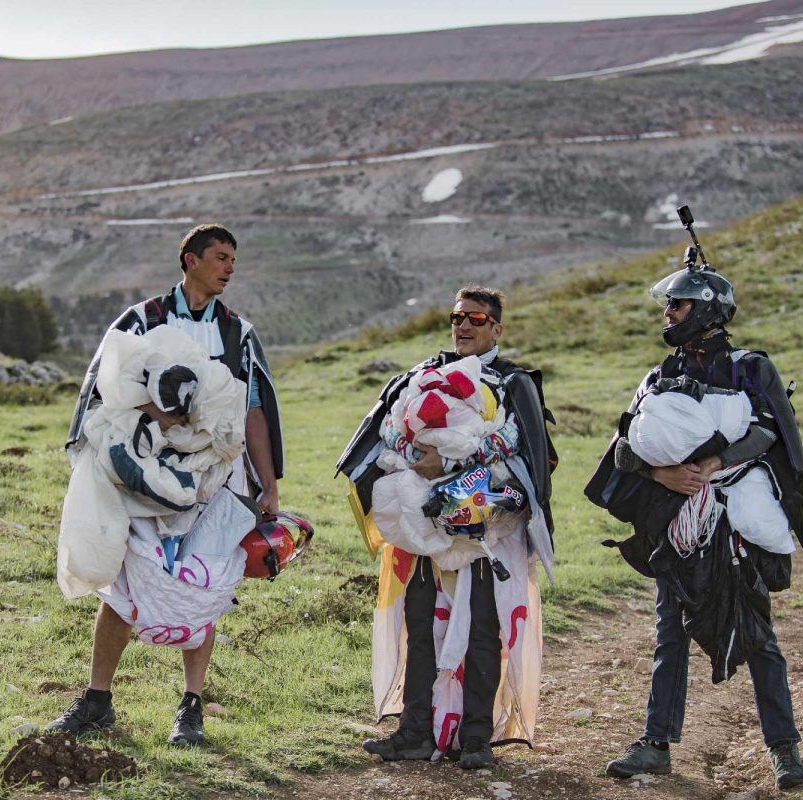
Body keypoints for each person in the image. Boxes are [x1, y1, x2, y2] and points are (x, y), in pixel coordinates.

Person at [47, 224, 284, 747]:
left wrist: (268, 485)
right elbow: (105, 392)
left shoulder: (236, 333)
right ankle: (97, 700)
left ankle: (191, 707)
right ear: (190, 259)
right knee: (123, 586)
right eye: (220, 257)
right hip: (140, 477)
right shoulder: (141, 321)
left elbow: (253, 410)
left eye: (233, 260)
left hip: (216, 480)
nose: (228, 268)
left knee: (207, 585)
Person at [584, 257, 803, 790]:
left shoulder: (751, 369)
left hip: (735, 524)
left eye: (677, 303)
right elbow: (624, 449)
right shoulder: (658, 376)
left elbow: (771, 433)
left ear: (704, 310)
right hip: (677, 524)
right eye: (668, 302)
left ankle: (785, 748)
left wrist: (713, 465)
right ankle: (656, 745)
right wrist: (661, 474)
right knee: (669, 634)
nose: (667, 312)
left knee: (757, 634)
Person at [336, 286, 556, 769]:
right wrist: (419, 460)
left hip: (487, 530)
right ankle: (415, 730)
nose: (464, 326)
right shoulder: (421, 376)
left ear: (497, 327)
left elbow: (533, 451)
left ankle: (476, 738)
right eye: (457, 318)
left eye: (476, 318)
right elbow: (389, 432)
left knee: (482, 630)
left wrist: (463, 459)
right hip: (419, 528)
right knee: (419, 626)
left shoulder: (516, 383)